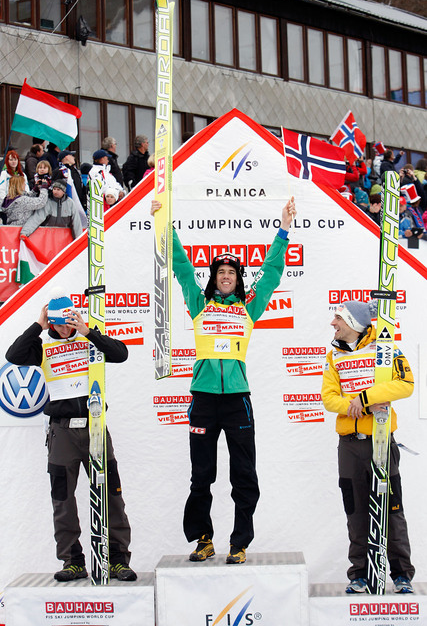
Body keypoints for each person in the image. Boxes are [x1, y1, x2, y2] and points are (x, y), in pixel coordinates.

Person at [151, 196, 297, 565]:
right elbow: (182, 268)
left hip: (237, 400)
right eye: (220, 273)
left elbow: (273, 271)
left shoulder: (250, 307)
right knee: (201, 475)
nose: (226, 276)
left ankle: (239, 542)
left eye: (232, 273)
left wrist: (283, 229)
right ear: (214, 279)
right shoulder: (199, 306)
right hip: (202, 398)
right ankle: (203, 539)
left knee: (244, 474)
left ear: (238, 280)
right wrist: (165, 223)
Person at [5, 292, 137, 582]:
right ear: (50, 322)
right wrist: (37, 325)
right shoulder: (44, 344)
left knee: (111, 495)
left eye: (67, 322)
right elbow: (13, 355)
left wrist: (87, 331)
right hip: (62, 431)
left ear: (74, 316)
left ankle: (117, 560)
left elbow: (121, 354)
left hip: (95, 427)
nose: (64, 329)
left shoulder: (88, 338)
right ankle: (72, 561)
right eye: (57, 324)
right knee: (62, 498)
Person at [321, 300, 415, 594]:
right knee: (355, 510)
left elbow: (406, 383)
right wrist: (360, 406)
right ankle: (359, 574)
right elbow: (329, 398)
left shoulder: (384, 349)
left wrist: (364, 397)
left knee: (392, 509)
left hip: (382, 441)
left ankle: (401, 575)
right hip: (349, 445)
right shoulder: (334, 355)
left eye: (338, 318)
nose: (333, 323)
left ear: (353, 323)